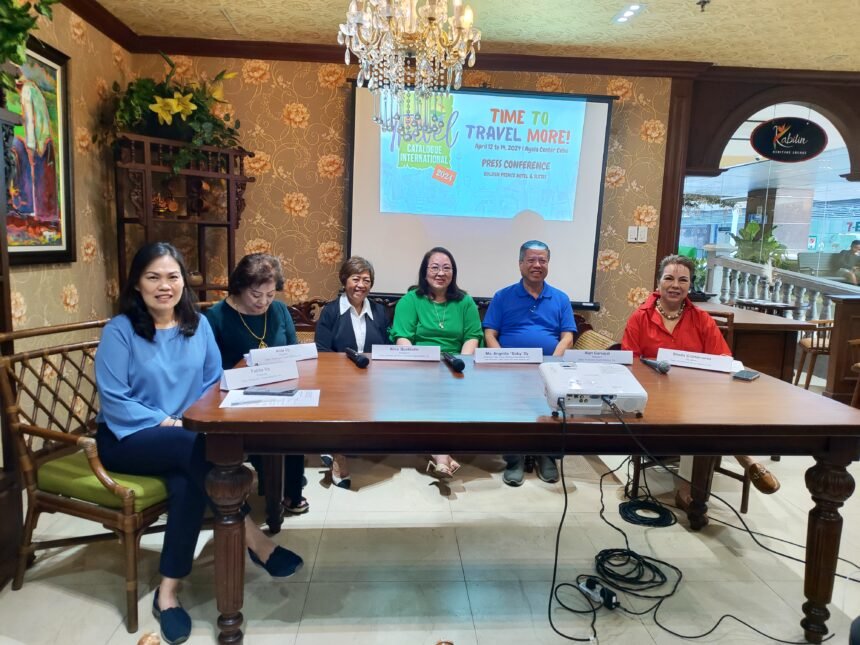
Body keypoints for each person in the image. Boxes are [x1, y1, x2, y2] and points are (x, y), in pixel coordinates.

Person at [95, 243, 302, 645]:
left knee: (190, 483)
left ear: (182, 282)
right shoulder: (120, 331)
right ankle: (255, 539)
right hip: (128, 437)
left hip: (185, 437)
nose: (164, 286)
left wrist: (208, 413)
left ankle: (167, 593)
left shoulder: (198, 325)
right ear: (137, 284)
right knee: (199, 451)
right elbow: (115, 398)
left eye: (172, 277)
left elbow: (212, 381)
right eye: (153, 277)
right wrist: (170, 422)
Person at [621, 253, 780, 508]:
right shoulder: (640, 317)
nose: (675, 285)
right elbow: (630, 363)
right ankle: (743, 462)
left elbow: (723, 359)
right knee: (697, 419)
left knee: (702, 414)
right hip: (654, 397)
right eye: (669, 278)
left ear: (690, 285)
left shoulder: (701, 319)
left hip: (694, 397)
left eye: (683, 280)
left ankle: (689, 491)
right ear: (658, 282)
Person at [204, 253, 309, 514]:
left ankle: (291, 490)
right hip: (234, 398)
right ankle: (271, 485)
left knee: (297, 424)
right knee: (266, 429)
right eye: (255, 294)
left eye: (270, 294)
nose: (263, 302)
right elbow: (209, 369)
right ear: (239, 287)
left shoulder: (279, 310)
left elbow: (293, 351)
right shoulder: (216, 317)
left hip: (280, 390)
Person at [483, 240, 577, 486]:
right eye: (531, 260)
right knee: (511, 408)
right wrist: (502, 361)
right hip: (511, 368)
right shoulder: (503, 296)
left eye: (542, 260)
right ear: (520, 264)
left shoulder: (560, 298)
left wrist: (553, 364)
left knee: (554, 404)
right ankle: (515, 459)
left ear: (548, 264)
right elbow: (490, 334)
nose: (537, 265)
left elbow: (567, 336)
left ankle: (547, 456)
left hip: (550, 366)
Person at [389, 246, 483, 477]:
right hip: (420, 364)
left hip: (456, 364)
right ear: (425, 272)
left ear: (453, 273)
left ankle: (440, 455)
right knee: (429, 392)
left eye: (446, 268)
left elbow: (472, 336)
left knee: (453, 391)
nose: (441, 273)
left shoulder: (465, 302)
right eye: (435, 267)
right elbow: (402, 337)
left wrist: (462, 366)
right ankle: (441, 455)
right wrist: (417, 365)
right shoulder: (410, 300)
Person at [314, 256, 391, 489]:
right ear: (344, 280)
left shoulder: (379, 311)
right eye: (356, 279)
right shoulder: (330, 311)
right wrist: (341, 377)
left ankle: (333, 448)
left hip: (372, 378)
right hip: (337, 378)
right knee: (339, 401)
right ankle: (338, 456)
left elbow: (386, 347)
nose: (361, 285)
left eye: (366, 280)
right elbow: (322, 351)